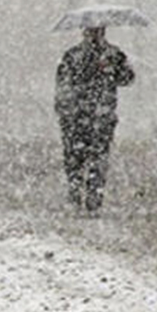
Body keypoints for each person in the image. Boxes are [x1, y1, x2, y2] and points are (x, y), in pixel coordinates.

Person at [55, 26, 135, 212]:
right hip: (76, 116)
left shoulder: (114, 54)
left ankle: (93, 199)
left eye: (97, 31)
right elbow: (62, 83)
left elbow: (128, 78)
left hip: (101, 116)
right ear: (84, 32)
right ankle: (76, 196)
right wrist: (63, 111)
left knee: (97, 159)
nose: (93, 35)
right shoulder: (72, 55)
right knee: (75, 159)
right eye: (90, 31)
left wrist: (111, 69)